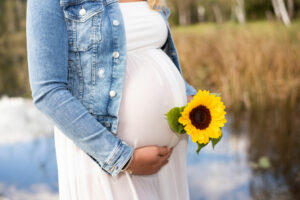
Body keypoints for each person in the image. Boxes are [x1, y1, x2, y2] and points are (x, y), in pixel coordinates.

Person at [26, 0, 197, 199]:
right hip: (106, 159)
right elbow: (47, 91)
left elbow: (158, 51)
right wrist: (125, 159)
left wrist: (190, 99)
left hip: (166, 159)